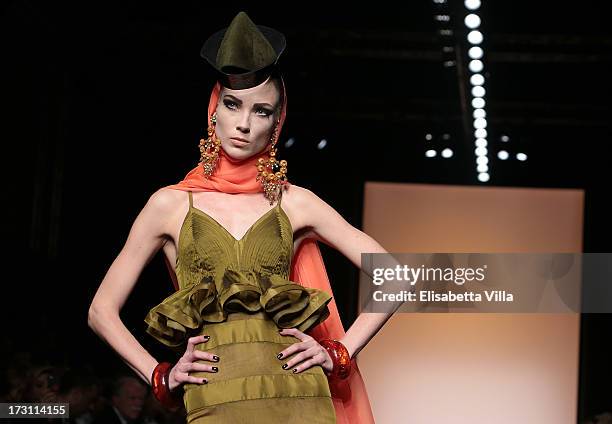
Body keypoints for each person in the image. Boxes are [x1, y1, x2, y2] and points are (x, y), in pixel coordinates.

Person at [89, 11, 395, 423]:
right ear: (214, 110)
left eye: (262, 112)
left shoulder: (296, 203)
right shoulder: (169, 205)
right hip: (214, 394)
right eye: (233, 105)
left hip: (297, 392)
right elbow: (100, 311)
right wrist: (159, 376)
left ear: (276, 125)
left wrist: (337, 352)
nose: (244, 125)